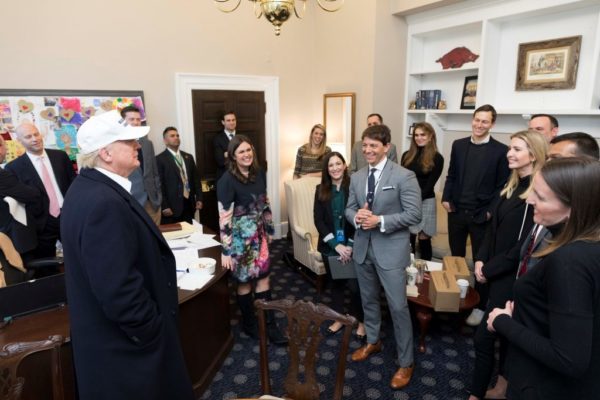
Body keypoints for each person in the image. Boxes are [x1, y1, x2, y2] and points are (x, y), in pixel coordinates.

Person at [60, 110, 194, 400]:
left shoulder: (89, 189)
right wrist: (152, 331)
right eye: (129, 142)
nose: (138, 147)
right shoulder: (102, 203)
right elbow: (118, 289)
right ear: (106, 153)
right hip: (128, 353)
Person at [488, 158, 600, 400]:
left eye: (540, 196)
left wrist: (502, 321)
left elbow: (569, 358)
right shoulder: (587, 245)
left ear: (574, 208)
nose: (529, 200)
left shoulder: (569, 261)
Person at [468, 130, 548, 400]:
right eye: (510, 148)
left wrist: (487, 270)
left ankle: (475, 394)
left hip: (510, 278)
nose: (509, 153)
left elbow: (522, 248)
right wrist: (479, 259)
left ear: (533, 154)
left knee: (484, 338)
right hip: (493, 270)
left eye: (516, 149)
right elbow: (492, 230)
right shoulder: (512, 184)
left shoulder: (535, 193)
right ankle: (500, 388)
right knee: (501, 338)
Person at [345, 124, 421, 390]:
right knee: (368, 300)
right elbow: (349, 208)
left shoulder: (404, 176)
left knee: (398, 307)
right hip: (363, 249)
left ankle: (406, 362)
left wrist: (380, 220)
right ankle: (373, 341)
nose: (368, 150)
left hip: (391, 250)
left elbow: (414, 215)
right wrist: (356, 217)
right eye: (364, 145)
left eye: (373, 146)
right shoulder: (356, 177)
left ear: (386, 147)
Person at [441, 104, 510, 326]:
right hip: (457, 213)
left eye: (485, 121)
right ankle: (455, 299)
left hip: (482, 216)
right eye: (477, 120)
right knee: (456, 259)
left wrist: (491, 211)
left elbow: (503, 186)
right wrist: (446, 197)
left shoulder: (501, 151)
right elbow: (451, 175)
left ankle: (480, 307)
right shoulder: (458, 145)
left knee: (481, 264)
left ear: (492, 124)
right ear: (472, 120)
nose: (479, 125)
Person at [217, 134, 287, 344]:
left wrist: (270, 228)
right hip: (239, 240)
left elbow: (265, 203)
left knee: (264, 278)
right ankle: (250, 325)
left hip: (259, 236)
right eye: (241, 152)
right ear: (233, 156)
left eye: (249, 150)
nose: (246, 155)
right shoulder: (226, 181)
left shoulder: (259, 173)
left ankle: (271, 326)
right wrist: (226, 250)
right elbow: (224, 218)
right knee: (245, 284)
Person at [313, 151, 366, 339]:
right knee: (336, 284)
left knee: (355, 286)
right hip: (331, 247)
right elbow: (318, 221)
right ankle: (338, 318)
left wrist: (349, 245)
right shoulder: (320, 189)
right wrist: (336, 245)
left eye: (338, 164)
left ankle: (360, 320)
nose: (335, 168)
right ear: (327, 169)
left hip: (354, 244)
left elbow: (359, 217)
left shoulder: (355, 187)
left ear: (344, 165)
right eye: (331, 165)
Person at [6, 122, 75, 258]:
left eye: (36, 134)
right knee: (46, 267)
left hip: (67, 215)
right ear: (19, 141)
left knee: (78, 255)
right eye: (28, 136)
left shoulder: (60, 156)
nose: (34, 139)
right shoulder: (13, 168)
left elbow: (73, 183)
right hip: (41, 224)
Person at [401, 121, 444, 260]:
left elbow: (429, 185)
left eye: (423, 135)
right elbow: (402, 181)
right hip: (407, 202)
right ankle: (407, 271)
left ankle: (426, 274)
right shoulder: (406, 155)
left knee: (424, 239)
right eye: (416, 135)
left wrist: (414, 201)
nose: (419, 138)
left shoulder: (437, 158)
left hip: (426, 201)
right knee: (408, 238)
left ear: (430, 136)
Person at [120, 105, 162, 225]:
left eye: (138, 119)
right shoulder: (118, 145)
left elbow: (154, 173)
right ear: (123, 122)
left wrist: (158, 197)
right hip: (132, 202)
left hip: (152, 202)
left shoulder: (147, 144)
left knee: (155, 240)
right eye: (131, 119)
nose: (136, 122)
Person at [156, 126, 203, 224]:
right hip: (172, 207)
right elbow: (159, 185)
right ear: (165, 141)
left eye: (177, 135)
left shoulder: (188, 157)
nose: (176, 137)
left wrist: (199, 198)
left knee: (191, 234)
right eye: (172, 136)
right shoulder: (160, 159)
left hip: (189, 203)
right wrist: (164, 205)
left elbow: (196, 179)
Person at [214, 111, 237, 182]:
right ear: (223, 122)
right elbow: (220, 161)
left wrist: (228, 154)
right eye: (228, 120)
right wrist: (238, 154)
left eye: (233, 120)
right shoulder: (217, 139)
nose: (232, 122)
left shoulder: (243, 137)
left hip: (242, 178)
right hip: (225, 178)